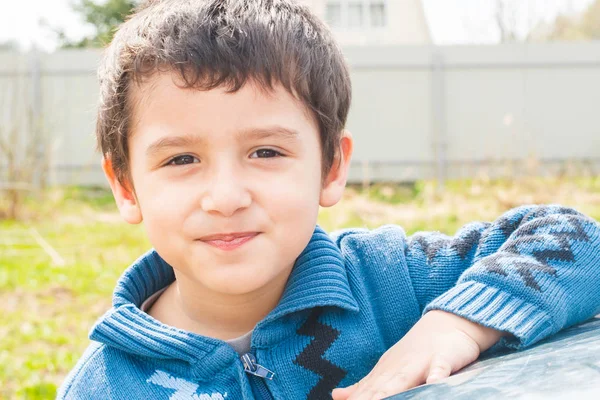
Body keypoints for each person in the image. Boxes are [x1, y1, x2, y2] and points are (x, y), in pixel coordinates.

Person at [57, 1, 600, 399]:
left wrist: (456, 323)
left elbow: (577, 241)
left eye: (266, 151)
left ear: (331, 168)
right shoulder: (103, 385)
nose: (225, 197)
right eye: (181, 160)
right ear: (126, 187)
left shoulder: (390, 280)